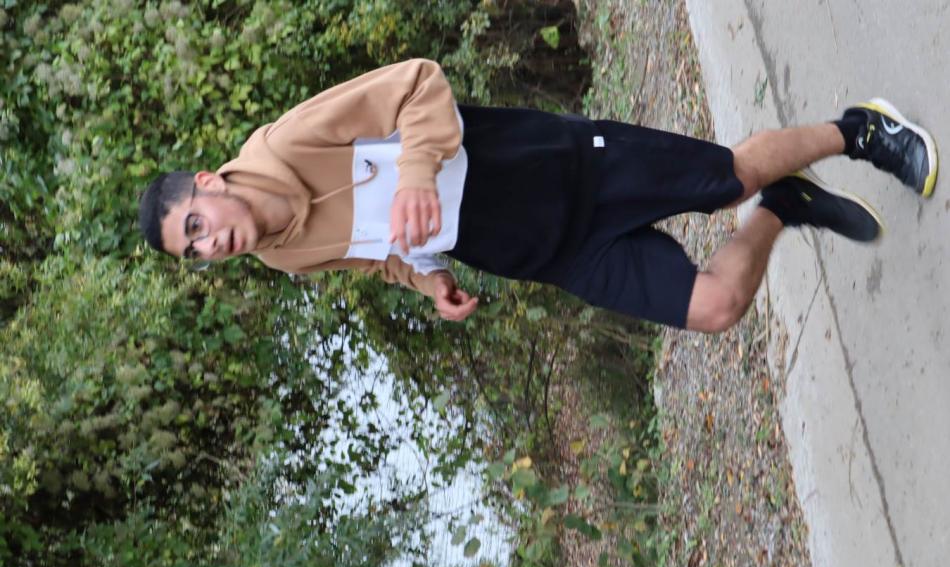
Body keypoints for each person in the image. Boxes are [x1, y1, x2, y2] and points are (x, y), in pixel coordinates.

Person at [138, 59, 938, 333]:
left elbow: (418, 84)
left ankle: (858, 130)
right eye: (195, 251)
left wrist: (414, 176)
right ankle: (786, 210)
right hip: (542, 252)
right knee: (717, 306)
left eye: (197, 225)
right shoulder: (283, 258)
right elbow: (381, 257)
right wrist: (429, 281)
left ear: (209, 183)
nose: (212, 245)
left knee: (732, 176)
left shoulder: (288, 143)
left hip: (556, 168)